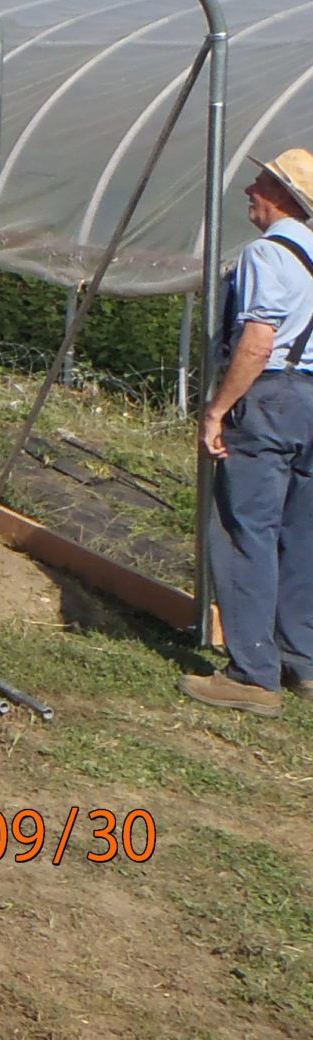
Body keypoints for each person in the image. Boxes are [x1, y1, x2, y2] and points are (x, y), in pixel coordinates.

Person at [185, 148, 313, 715]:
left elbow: (258, 342)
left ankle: (252, 674)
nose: (249, 191)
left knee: (244, 527)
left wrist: (218, 409)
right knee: (299, 534)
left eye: (259, 183)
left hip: (272, 399)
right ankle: (300, 660)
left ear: (282, 196)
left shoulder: (267, 253)